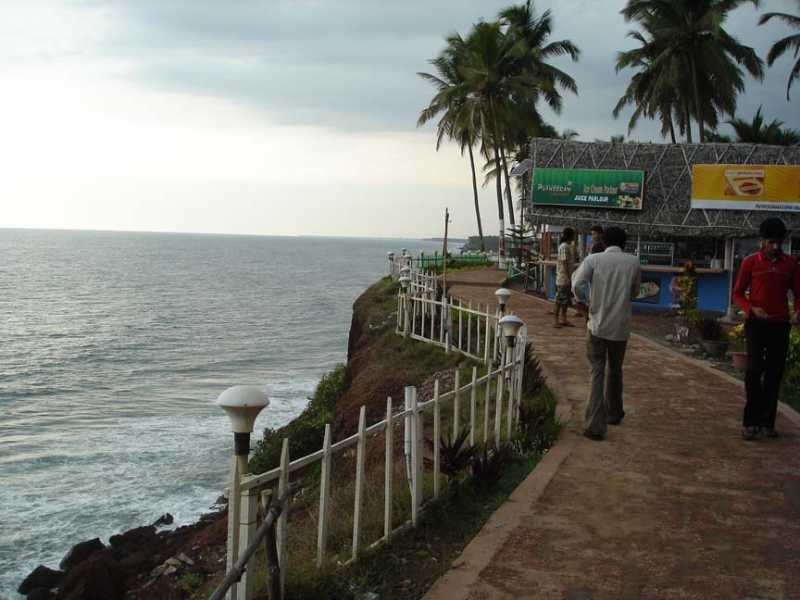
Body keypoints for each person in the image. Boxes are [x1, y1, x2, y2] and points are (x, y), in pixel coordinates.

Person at [732, 217, 800, 441]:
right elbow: (738, 293)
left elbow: (799, 295)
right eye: (771, 242)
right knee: (753, 370)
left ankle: (767, 423)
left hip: (780, 325)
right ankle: (750, 421)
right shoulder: (750, 262)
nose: (776, 247)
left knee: (774, 373)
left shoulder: (790, 264)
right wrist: (751, 309)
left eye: (779, 242)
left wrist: (797, 312)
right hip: (756, 324)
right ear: (762, 241)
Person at [572, 226, 642, 441]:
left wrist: (585, 301)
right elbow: (635, 291)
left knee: (597, 372)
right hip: (620, 326)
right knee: (616, 370)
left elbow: (577, 284)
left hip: (597, 323)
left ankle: (595, 424)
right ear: (624, 243)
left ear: (603, 241)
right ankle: (614, 412)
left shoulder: (594, 260)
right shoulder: (633, 262)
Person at [554, 227, 577, 328]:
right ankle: (556, 320)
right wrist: (568, 276)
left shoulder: (568, 246)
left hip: (567, 277)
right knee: (559, 300)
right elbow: (564, 262)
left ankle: (564, 319)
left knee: (565, 300)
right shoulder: (564, 246)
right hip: (563, 278)